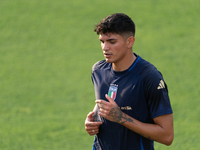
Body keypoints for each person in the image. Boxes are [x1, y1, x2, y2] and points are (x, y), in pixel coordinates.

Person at [85, 13, 174, 150]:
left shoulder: (149, 77)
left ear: (130, 42)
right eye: (102, 41)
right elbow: (105, 101)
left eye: (112, 42)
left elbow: (167, 136)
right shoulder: (98, 70)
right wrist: (93, 119)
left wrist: (121, 117)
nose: (105, 47)